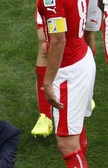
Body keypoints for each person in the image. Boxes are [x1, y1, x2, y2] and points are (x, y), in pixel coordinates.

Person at [38, 0, 98, 168]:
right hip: (81, 58)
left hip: (69, 72)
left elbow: (59, 40)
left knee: (67, 144)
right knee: (75, 128)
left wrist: (48, 82)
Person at [31, 1, 99, 137]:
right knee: (46, 45)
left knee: (85, 36)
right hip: (56, 6)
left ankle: (84, 92)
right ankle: (45, 115)